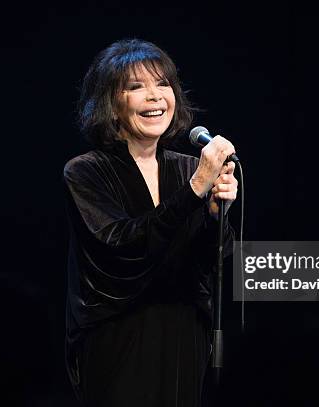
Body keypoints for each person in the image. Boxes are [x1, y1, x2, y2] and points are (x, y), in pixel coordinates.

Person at [63, 38, 238, 407]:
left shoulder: (189, 168)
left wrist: (212, 217)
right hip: (121, 334)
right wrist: (194, 192)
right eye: (136, 87)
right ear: (112, 102)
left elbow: (213, 262)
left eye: (163, 84)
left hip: (184, 330)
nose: (156, 97)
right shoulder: (86, 171)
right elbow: (120, 245)